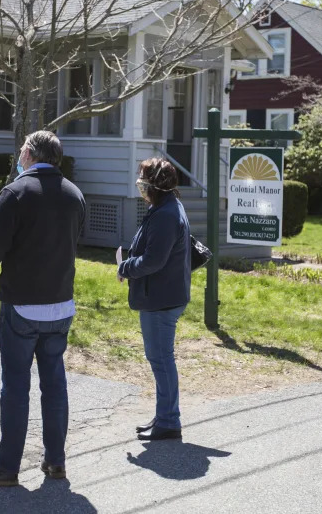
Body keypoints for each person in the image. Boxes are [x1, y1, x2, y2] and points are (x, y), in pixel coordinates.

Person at [0, 131, 86, 488]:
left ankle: (7, 467)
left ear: (31, 154)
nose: (19, 154)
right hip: (61, 303)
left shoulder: (15, 193)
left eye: (22, 148)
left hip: (22, 306)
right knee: (55, 386)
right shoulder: (74, 194)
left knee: (16, 387)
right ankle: (55, 461)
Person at [118, 158, 191, 442]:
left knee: (161, 360)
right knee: (160, 359)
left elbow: (153, 260)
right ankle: (164, 415)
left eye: (142, 182)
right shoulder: (166, 208)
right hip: (164, 294)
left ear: (154, 187)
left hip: (161, 298)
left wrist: (124, 268)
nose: (139, 187)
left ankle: (169, 421)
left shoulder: (165, 215)